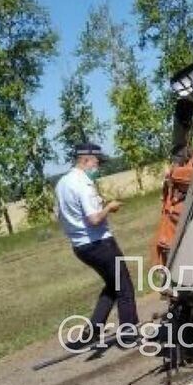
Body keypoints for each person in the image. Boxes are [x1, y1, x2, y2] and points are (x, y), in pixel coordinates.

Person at [55, 142, 140, 348]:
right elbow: (94, 219)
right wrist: (109, 208)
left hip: (80, 246)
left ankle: (92, 332)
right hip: (99, 243)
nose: (98, 166)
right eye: (96, 162)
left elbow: (60, 214)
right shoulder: (83, 184)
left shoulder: (62, 183)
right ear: (85, 160)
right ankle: (129, 334)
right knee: (124, 287)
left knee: (112, 285)